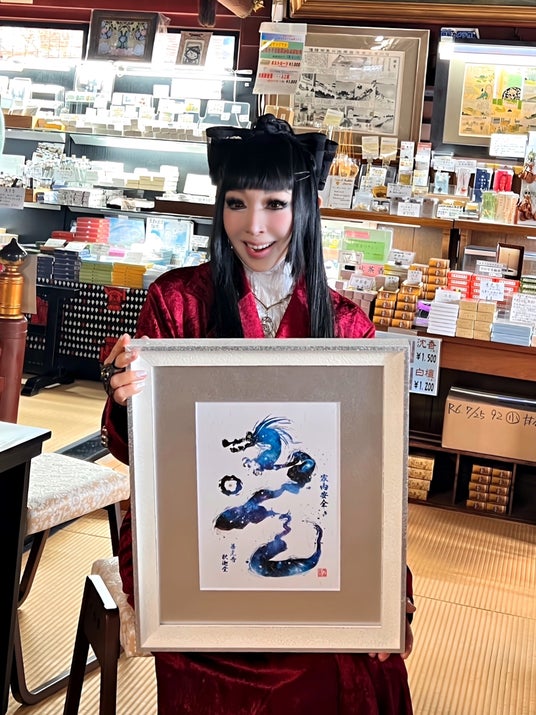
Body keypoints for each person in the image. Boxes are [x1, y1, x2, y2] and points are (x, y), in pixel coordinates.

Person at [100, 114, 415, 714]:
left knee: (353, 659)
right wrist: (124, 400)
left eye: (275, 204)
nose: (254, 226)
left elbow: (367, 478)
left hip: (317, 545)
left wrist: (389, 590)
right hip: (199, 546)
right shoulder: (177, 301)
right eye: (236, 203)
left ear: (305, 208)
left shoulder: (345, 323)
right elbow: (133, 451)